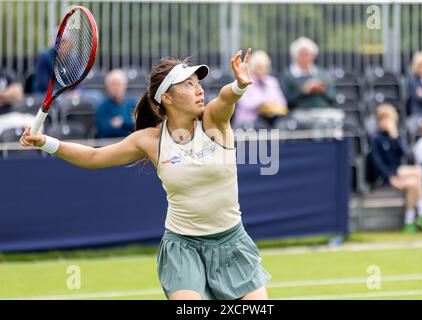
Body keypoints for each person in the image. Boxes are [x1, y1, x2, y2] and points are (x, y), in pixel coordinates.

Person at [19, 48, 271, 300]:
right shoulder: (149, 140)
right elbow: (94, 157)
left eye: (199, 83)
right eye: (189, 85)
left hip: (232, 242)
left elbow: (226, 98)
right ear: (168, 98)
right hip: (183, 249)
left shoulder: (214, 122)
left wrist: (238, 85)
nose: (200, 90)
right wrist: (44, 142)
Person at [370, 104, 422, 233]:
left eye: (388, 119)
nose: (386, 122)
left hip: (399, 172)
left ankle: (410, 221)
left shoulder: (396, 136)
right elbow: (377, 163)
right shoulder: (376, 139)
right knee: (416, 173)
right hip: (385, 176)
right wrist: (390, 177)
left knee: (415, 179)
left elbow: (405, 156)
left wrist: (395, 137)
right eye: (383, 119)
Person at [233, 50, 287, 129]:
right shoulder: (244, 81)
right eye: (258, 67)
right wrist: (263, 104)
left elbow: (282, 103)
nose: (261, 70)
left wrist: (271, 106)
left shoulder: (272, 81)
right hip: (247, 122)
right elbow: (244, 102)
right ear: (252, 67)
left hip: (270, 122)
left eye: (264, 67)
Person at [279, 37, 335, 110]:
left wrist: (322, 90)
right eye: (302, 55)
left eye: (308, 55)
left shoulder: (322, 73)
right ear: (295, 56)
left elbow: (332, 97)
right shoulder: (287, 75)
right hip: (299, 113)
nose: (306, 58)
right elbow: (285, 100)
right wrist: (303, 90)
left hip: (323, 112)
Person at [95, 69, 136, 138]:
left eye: (118, 84)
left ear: (125, 85)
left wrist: (122, 121)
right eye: (113, 85)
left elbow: (136, 127)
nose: (116, 88)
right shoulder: (101, 107)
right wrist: (128, 122)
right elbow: (104, 130)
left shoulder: (133, 104)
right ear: (107, 87)